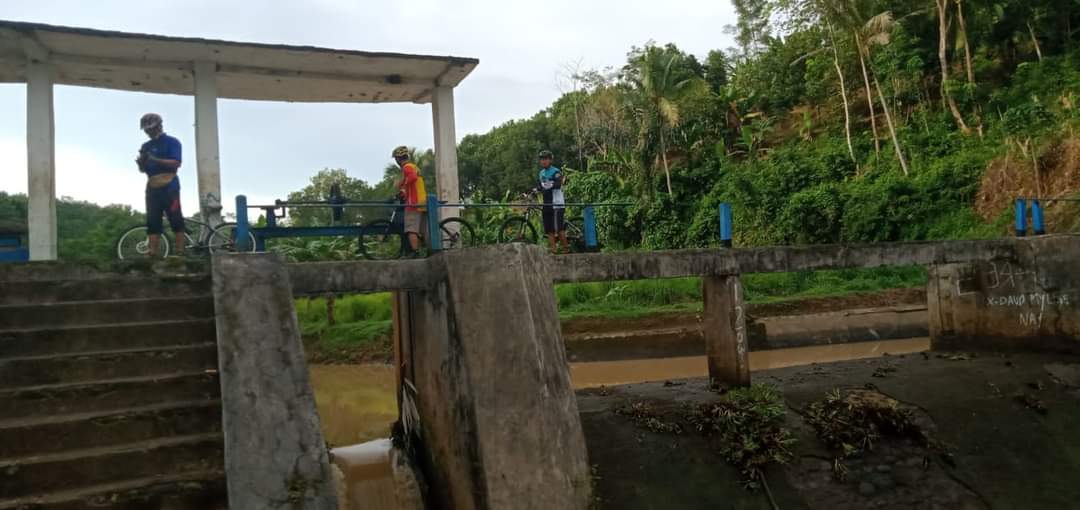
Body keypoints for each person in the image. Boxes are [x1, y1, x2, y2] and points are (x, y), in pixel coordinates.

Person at [135, 113, 185, 257]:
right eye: (146, 130)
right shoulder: (146, 146)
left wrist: (155, 159)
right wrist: (142, 164)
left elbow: (176, 163)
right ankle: (152, 252)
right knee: (152, 219)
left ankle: (180, 251)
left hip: (170, 184)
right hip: (152, 184)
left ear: (159, 126)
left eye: (150, 129)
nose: (148, 132)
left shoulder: (172, 142)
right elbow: (143, 170)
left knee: (175, 216)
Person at [392, 146, 427, 255]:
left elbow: (412, 178)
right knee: (422, 230)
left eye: (396, 159)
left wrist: (402, 184)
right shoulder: (414, 166)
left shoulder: (407, 167)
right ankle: (425, 250)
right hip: (422, 201)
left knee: (411, 230)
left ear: (398, 159)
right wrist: (403, 192)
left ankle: (415, 252)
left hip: (413, 203)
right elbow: (414, 185)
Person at [535, 149, 568, 254]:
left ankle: (565, 250)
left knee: (559, 228)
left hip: (557, 204)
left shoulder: (556, 171)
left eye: (546, 159)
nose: (543, 161)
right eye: (542, 159)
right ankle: (554, 251)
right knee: (549, 229)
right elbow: (541, 186)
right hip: (546, 203)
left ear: (550, 160)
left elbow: (558, 185)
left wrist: (548, 185)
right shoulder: (541, 173)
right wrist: (533, 191)